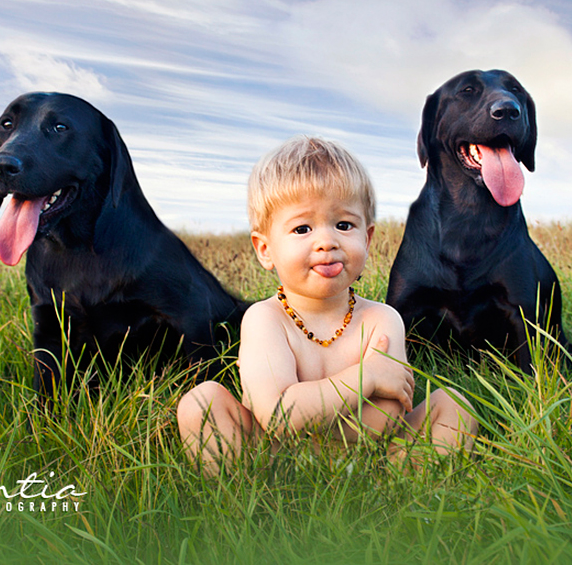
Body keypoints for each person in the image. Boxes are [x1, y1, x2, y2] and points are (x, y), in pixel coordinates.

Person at [177, 135, 478, 472]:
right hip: (272, 460)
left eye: (344, 224)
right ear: (265, 250)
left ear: (366, 239)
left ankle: (400, 493)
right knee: (201, 403)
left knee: (454, 407)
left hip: (373, 459)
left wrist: (303, 412)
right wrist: (366, 379)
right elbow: (277, 417)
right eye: (302, 228)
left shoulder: (381, 319)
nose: (326, 241)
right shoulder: (264, 320)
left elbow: (385, 419)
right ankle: (242, 501)